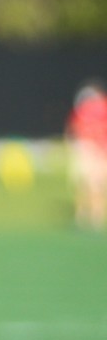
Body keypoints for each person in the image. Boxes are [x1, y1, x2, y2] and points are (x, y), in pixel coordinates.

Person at [67, 80, 107, 231]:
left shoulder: (103, 108)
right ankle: (82, 215)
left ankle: (96, 216)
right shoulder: (82, 111)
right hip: (86, 147)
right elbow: (74, 128)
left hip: (99, 149)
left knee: (96, 185)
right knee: (83, 183)